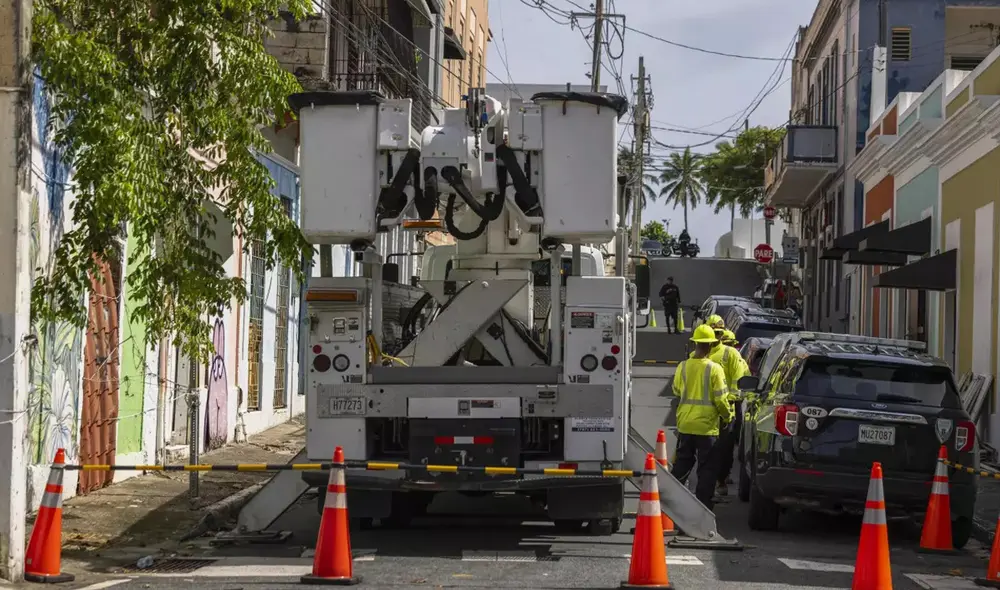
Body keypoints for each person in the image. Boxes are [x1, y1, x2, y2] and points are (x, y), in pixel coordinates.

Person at [671, 325, 733, 509]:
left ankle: (672, 502)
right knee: (707, 469)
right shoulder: (715, 369)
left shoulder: (683, 366)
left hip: (685, 424)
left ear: (695, 344)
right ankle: (702, 507)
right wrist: (727, 416)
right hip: (707, 428)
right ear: (712, 345)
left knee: (682, 465)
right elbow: (721, 400)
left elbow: (676, 390)